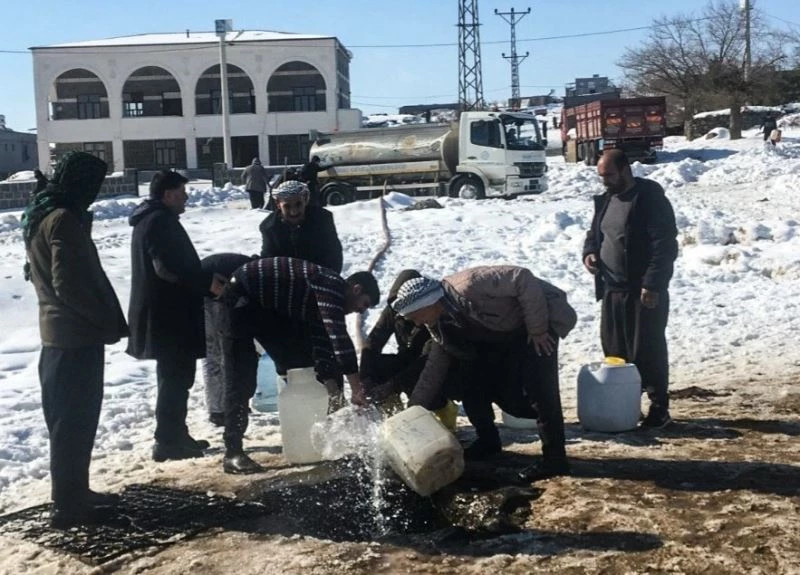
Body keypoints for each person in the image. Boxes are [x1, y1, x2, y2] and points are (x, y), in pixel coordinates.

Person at [21, 151, 129, 528]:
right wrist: (103, 321)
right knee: (74, 423)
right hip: (74, 339)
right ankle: (68, 505)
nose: (96, 194)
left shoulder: (44, 212)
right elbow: (68, 284)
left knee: (70, 422)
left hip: (59, 337)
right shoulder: (64, 219)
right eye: (93, 185)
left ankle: (75, 493)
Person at [391, 266, 576, 481]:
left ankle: (555, 460)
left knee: (540, 389)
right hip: (506, 332)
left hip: (539, 320)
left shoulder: (468, 285)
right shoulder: (440, 324)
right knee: (472, 378)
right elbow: (433, 371)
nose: (416, 323)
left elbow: (522, 277)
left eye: (415, 316)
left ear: (428, 303)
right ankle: (488, 441)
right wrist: (411, 414)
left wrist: (538, 330)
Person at [217, 257, 379, 473]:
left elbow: (323, 346)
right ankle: (233, 452)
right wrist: (357, 389)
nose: (359, 312)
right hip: (240, 300)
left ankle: (305, 441)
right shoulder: (331, 286)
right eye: (364, 305)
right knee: (241, 378)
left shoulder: (322, 299)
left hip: (268, 308)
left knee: (299, 364)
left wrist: (334, 391)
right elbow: (339, 339)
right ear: (356, 289)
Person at [127, 170, 225, 462]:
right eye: (183, 191)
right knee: (174, 379)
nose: (187, 197)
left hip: (167, 315)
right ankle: (167, 441)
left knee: (177, 378)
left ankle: (175, 434)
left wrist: (205, 276)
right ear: (168, 194)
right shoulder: (159, 221)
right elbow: (167, 268)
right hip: (168, 317)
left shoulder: (154, 219)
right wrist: (206, 283)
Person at [582, 149, 678, 428]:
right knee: (615, 349)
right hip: (613, 288)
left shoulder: (649, 199)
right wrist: (590, 253)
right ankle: (627, 403)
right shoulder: (605, 200)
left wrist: (652, 283)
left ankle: (659, 407)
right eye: (601, 176)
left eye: (609, 175)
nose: (604, 181)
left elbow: (665, 245)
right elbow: (594, 235)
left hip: (642, 290)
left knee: (647, 347)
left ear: (625, 170)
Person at [359, 269, 432, 406]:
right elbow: (373, 341)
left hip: (427, 365)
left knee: (425, 385)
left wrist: (394, 384)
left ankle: (441, 407)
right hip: (406, 359)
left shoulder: (429, 312)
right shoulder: (393, 310)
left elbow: (429, 359)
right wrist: (365, 378)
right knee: (375, 365)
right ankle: (391, 409)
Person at [200, 253, 257, 427]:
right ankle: (218, 410)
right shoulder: (251, 274)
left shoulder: (247, 268)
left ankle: (229, 405)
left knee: (223, 354)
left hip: (212, 294)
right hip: (207, 298)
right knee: (215, 355)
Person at [259, 180, 343, 272]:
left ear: (306, 200)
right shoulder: (269, 227)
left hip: (319, 275)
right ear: (278, 204)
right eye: (287, 206)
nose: (293, 211)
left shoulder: (322, 219)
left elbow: (334, 255)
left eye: (298, 204)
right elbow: (268, 260)